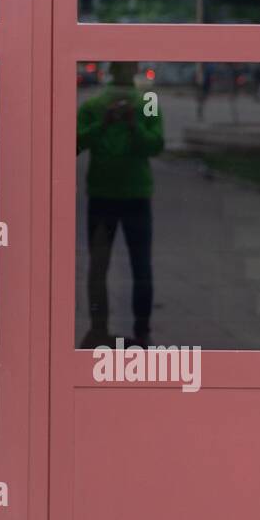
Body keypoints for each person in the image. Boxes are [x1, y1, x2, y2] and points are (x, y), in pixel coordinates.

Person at [76, 61, 164, 349]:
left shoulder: (146, 102)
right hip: (105, 194)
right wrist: (105, 123)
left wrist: (132, 123)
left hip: (134, 194)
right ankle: (99, 327)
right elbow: (73, 143)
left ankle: (142, 329)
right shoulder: (95, 105)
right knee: (100, 265)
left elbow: (156, 144)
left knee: (140, 266)